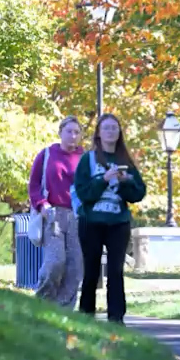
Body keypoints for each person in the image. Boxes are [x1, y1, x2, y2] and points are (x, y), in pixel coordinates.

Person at [73, 113, 146, 324]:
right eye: (106, 128)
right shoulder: (88, 159)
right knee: (91, 269)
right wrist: (103, 180)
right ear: (98, 133)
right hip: (91, 222)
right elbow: (83, 192)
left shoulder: (125, 161)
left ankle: (116, 317)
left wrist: (125, 182)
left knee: (115, 270)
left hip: (118, 222)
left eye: (114, 128)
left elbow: (139, 193)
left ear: (120, 132)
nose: (110, 132)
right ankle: (86, 314)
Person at [27, 117, 85, 308]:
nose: (73, 135)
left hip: (78, 216)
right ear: (60, 132)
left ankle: (63, 311)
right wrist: (41, 205)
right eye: (69, 131)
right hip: (53, 214)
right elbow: (34, 185)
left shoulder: (85, 158)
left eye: (77, 132)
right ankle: (42, 302)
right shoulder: (46, 154)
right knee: (55, 262)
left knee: (75, 267)